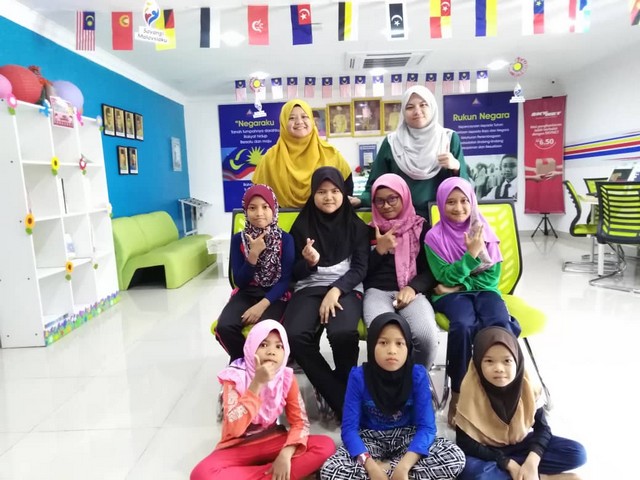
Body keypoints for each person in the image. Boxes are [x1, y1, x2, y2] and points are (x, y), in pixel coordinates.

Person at [320, 312, 465, 480]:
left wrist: (403, 466)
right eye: (383, 343)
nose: (392, 351)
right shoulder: (359, 376)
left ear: (408, 347)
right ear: (372, 344)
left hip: (407, 436)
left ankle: (390, 471)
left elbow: (427, 427)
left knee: (455, 458)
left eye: (399, 343)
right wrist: (371, 467)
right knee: (330, 471)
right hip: (370, 437)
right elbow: (349, 429)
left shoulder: (417, 375)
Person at [424, 177, 521, 428]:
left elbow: (491, 278)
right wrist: (470, 256)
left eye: (464, 201)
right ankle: (458, 392)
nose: (459, 208)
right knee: (463, 325)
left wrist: (459, 284)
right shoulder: (434, 237)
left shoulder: (484, 230)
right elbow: (442, 277)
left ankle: (500, 389)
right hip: (449, 296)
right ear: (441, 204)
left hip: (483, 291)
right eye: (451, 202)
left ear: (472, 202)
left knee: (498, 324)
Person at [191, 320, 336, 480]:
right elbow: (234, 428)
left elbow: (299, 423)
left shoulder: (286, 377)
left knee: (325, 446)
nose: (271, 352)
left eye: (279, 346)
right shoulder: (234, 377)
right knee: (201, 474)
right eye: (263, 345)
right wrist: (257, 384)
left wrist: (286, 454)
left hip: (272, 439)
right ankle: (276, 475)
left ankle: (272, 471)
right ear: (251, 347)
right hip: (238, 446)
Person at [283, 166, 369, 419]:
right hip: (309, 287)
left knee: (342, 333)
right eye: (321, 192)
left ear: (343, 193)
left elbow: (360, 268)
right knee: (294, 335)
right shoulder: (302, 226)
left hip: (346, 287)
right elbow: (293, 272)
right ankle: (340, 398)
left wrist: (336, 290)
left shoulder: (357, 227)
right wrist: (309, 262)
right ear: (313, 194)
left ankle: (341, 393)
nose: (328, 197)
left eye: (334, 191)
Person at [456, 326, 587, 480]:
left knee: (577, 453)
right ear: (478, 362)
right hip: (487, 452)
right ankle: (541, 477)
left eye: (507, 361)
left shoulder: (528, 387)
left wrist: (532, 461)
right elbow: (466, 443)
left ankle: (524, 473)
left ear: (517, 361)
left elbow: (542, 429)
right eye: (489, 361)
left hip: (520, 444)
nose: (499, 368)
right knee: (473, 474)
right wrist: (508, 463)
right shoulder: (471, 388)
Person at [352, 85, 468, 219]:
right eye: (410, 107)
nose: (417, 111)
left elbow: (465, 187)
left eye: (423, 105)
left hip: (440, 217)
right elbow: (377, 182)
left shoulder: (448, 138)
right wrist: (362, 200)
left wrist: (456, 167)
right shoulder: (392, 142)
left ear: (432, 107)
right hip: (401, 219)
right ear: (403, 112)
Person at [363, 173, 439, 369]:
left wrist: (413, 288)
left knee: (426, 336)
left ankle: (417, 378)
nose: (386, 206)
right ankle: (387, 382)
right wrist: (379, 251)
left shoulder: (421, 228)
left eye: (392, 199)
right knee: (381, 335)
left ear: (404, 197)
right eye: (379, 201)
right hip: (377, 292)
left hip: (412, 290)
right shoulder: (368, 230)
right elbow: (360, 271)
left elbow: (432, 270)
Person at [215, 185, 294, 362]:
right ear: (246, 210)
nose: (259, 213)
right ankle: (243, 363)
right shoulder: (239, 239)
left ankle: (267, 365)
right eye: (252, 208)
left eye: (265, 207)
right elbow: (240, 282)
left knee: (265, 330)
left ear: (274, 209)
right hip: (247, 293)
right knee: (225, 327)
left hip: (275, 296)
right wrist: (253, 254)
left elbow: (285, 281)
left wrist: (261, 306)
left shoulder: (286, 239)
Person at [253, 98, 353, 208]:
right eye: (291, 118)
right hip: (282, 218)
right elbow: (259, 197)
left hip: (325, 217)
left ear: (312, 120)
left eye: (304, 117)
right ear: (283, 123)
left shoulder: (331, 154)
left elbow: (346, 192)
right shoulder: (270, 158)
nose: (299, 122)